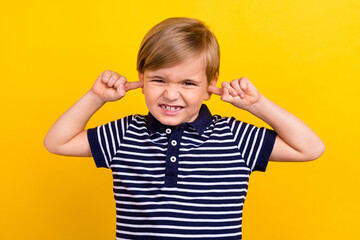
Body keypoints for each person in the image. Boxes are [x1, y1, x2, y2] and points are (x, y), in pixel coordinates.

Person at [44, 17, 325, 240]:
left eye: (188, 83)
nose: (171, 94)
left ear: (209, 87)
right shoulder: (125, 134)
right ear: (141, 79)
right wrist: (96, 97)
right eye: (159, 80)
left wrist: (256, 104)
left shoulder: (234, 136)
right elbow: (57, 142)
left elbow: (310, 148)